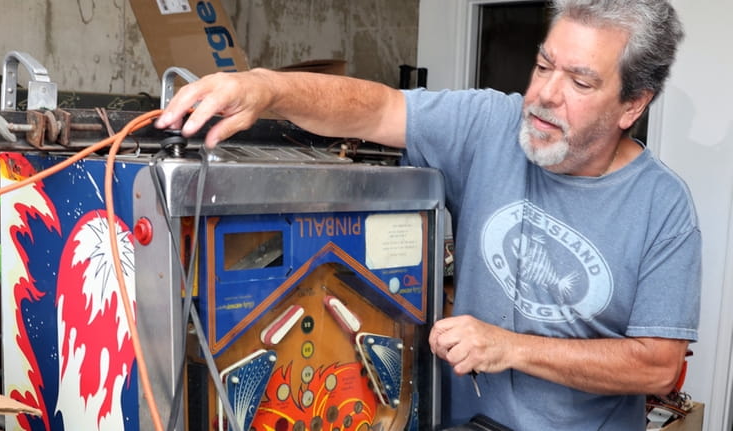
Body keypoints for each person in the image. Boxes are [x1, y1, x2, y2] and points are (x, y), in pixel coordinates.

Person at [156, 0, 700, 429]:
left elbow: (656, 363)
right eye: (542, 65)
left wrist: (510, 347)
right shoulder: (491, 124)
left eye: (580, 83)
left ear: (633, 104)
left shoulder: (663, 206)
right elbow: (377, 107)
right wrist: (265, 87)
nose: (544, 95)